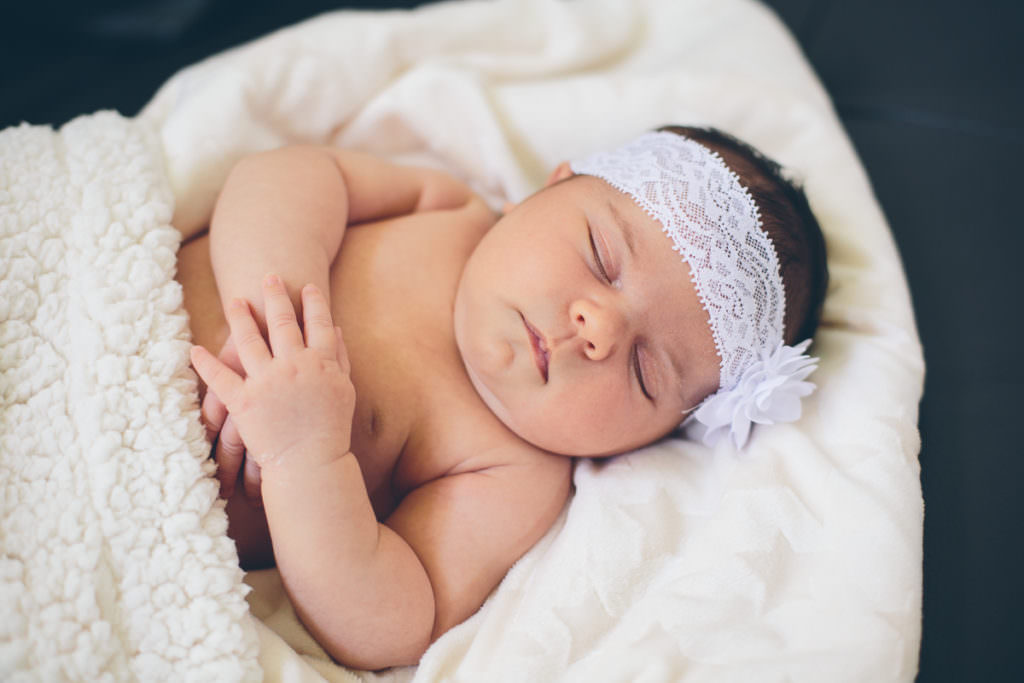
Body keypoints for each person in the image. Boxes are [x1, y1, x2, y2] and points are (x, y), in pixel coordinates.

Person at [177, 126, 828, 669]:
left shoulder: (515, 471)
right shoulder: (445, 207)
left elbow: (391, 620)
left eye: (645, 370)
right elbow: (282, 175)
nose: (597, 326)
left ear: (652, 438)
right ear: (547, 189)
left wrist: (303, 456)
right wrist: (273, 312)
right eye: (601, 256)